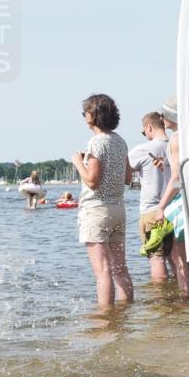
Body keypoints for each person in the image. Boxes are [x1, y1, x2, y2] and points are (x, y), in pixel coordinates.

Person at [72, 94, 134, 308]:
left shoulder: (96, 142)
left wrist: (78, 163)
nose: (84, 117)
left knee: (103, 271)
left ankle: (106, 319)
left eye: (85, 113)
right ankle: (126, 313)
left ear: (93, 115)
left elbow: (92, 181)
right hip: (118, 209)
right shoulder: (120, 141)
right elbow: (128, 178)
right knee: (120, 268)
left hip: (96, 210)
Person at [150, 98, 189, 296]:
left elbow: (177, 178)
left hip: (183, 201)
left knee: (180, 258)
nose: (161, 118)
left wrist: (161, 206)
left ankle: (186, 298)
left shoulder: (176, 138)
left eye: (163, 114)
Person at [129, 111, 174, 281]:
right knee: (177, 259)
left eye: (144, 132)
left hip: (152, 211)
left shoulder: (143, 149)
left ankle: (160, 295)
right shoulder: (176, 146)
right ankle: (182, 293)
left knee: (156, 258)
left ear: (149, 127)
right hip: (176, 208)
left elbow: (124, 171)